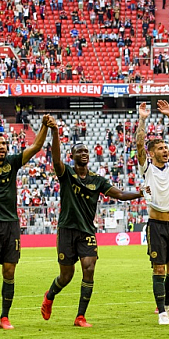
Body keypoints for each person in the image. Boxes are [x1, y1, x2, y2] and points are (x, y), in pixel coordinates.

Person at [41, 129, 145, 327]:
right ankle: (50, 295)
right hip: (66, 230)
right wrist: (55, 132)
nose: (84, 153)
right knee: (66, 276)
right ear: (72, 156)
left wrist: (140, 194)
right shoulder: (66, 174)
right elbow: (55, 160)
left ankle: (80, 317)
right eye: (79, 151)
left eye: (86, 151)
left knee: (89, 269)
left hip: (87, 232)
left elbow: (120, 194)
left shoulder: (97, 180)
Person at [0, 99, 51, 330]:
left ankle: (5, 316)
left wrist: (43, 127)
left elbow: (35, 148)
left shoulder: (12, 163)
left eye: (4, 143)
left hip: (11, 224)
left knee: (10, 271)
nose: (3, 146)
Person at [136, 100, 169, 325]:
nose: (166, 150)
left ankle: (167, 305)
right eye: (160, 148)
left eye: (166, 148)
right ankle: (161, 313)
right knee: (158, 268)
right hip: (157, 225)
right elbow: (139, 145)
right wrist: (142, 119)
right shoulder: (146, 168)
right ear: (151, 153)